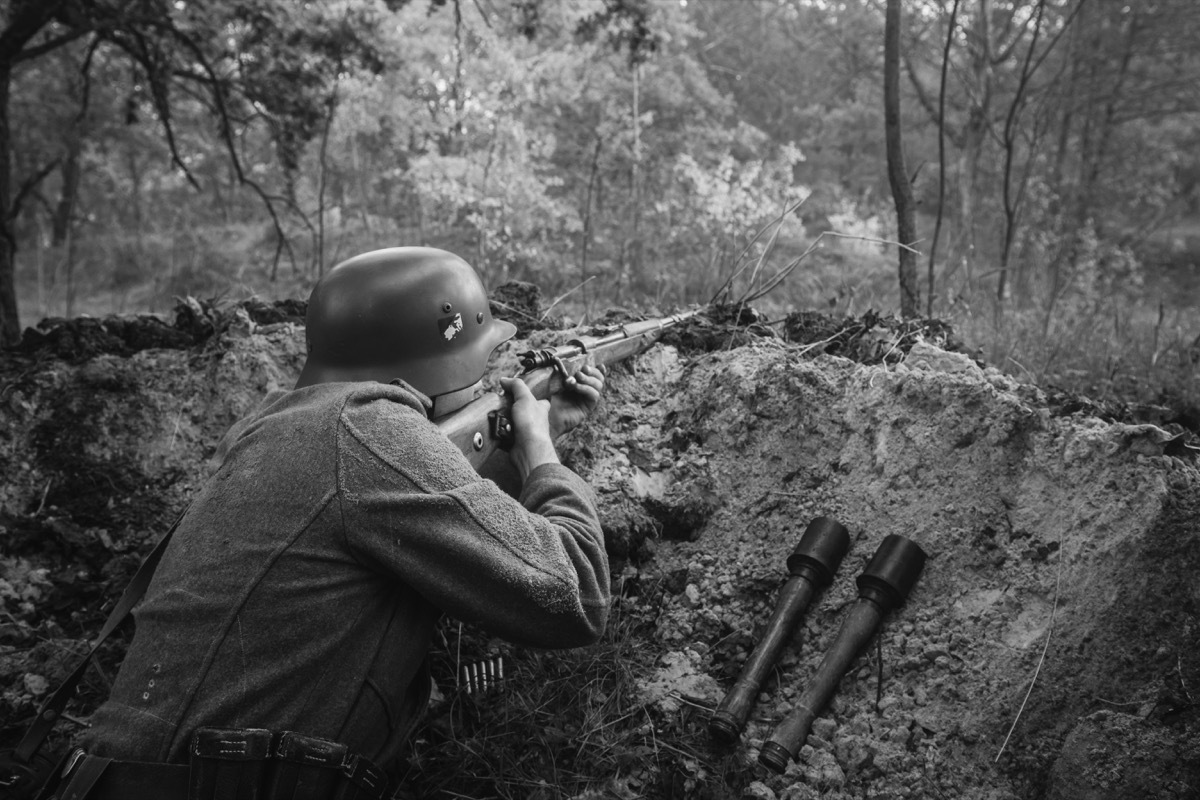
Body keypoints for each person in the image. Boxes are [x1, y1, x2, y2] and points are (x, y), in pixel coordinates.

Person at [69, 247, 611, 800]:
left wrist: (538, 431)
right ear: (441, 362)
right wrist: (542, 452)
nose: (484, 380)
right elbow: (577, 593)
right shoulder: (373, 433)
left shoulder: (279, 425)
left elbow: (429, 510)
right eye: (482, 361)